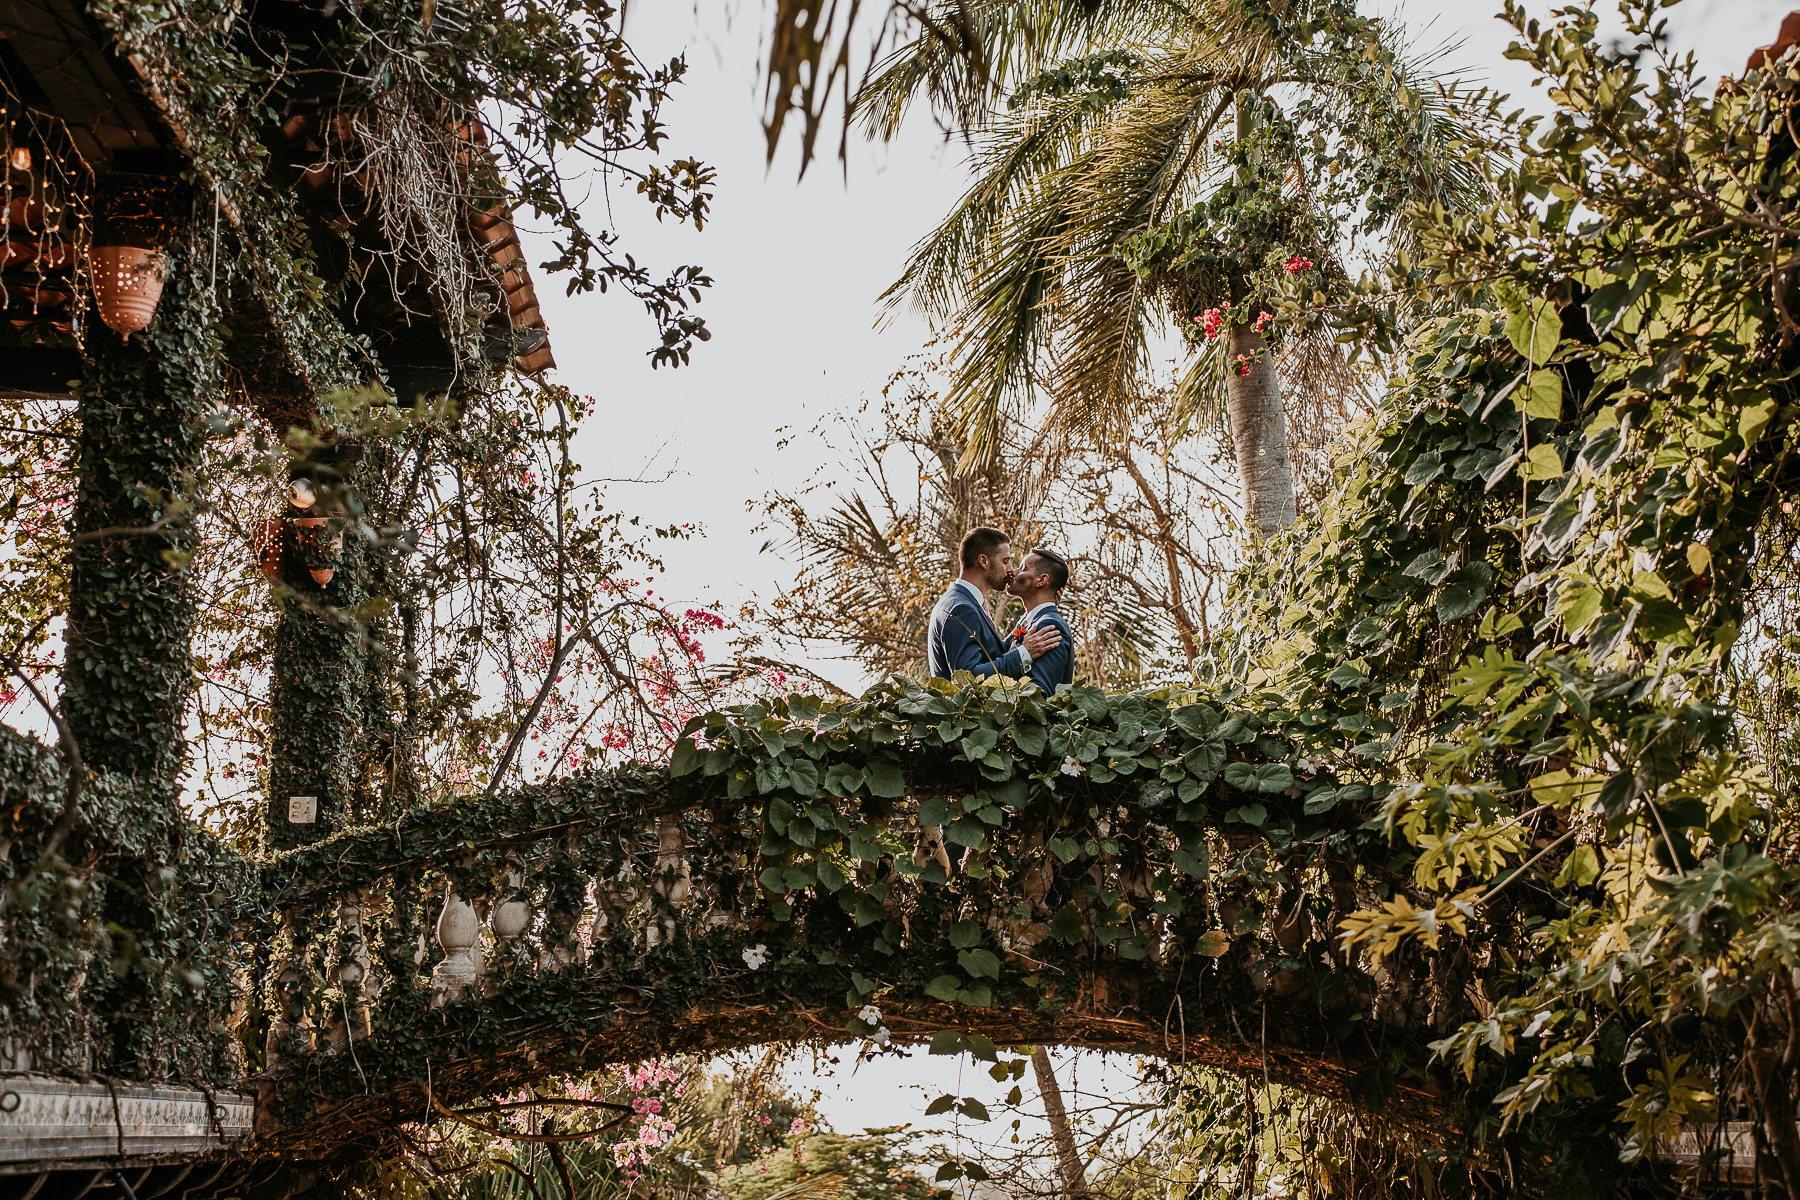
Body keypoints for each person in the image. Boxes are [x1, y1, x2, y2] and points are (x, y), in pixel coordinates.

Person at [926, 527, 1063, 681]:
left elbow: (991, 655)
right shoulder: (961, 609)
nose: (1011, 570)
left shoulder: (960, 601)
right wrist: (1025, 653)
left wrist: (1039, 606)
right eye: (1005, 561)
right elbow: (967, 677)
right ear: (984, 561)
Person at [1005, 548, 1074, 693]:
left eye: (1022, 568)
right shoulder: (1031, 620)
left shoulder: (1050, 626)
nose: (1013, 572)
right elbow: (997, 653)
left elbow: (1040, 695)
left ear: (1042, 580)